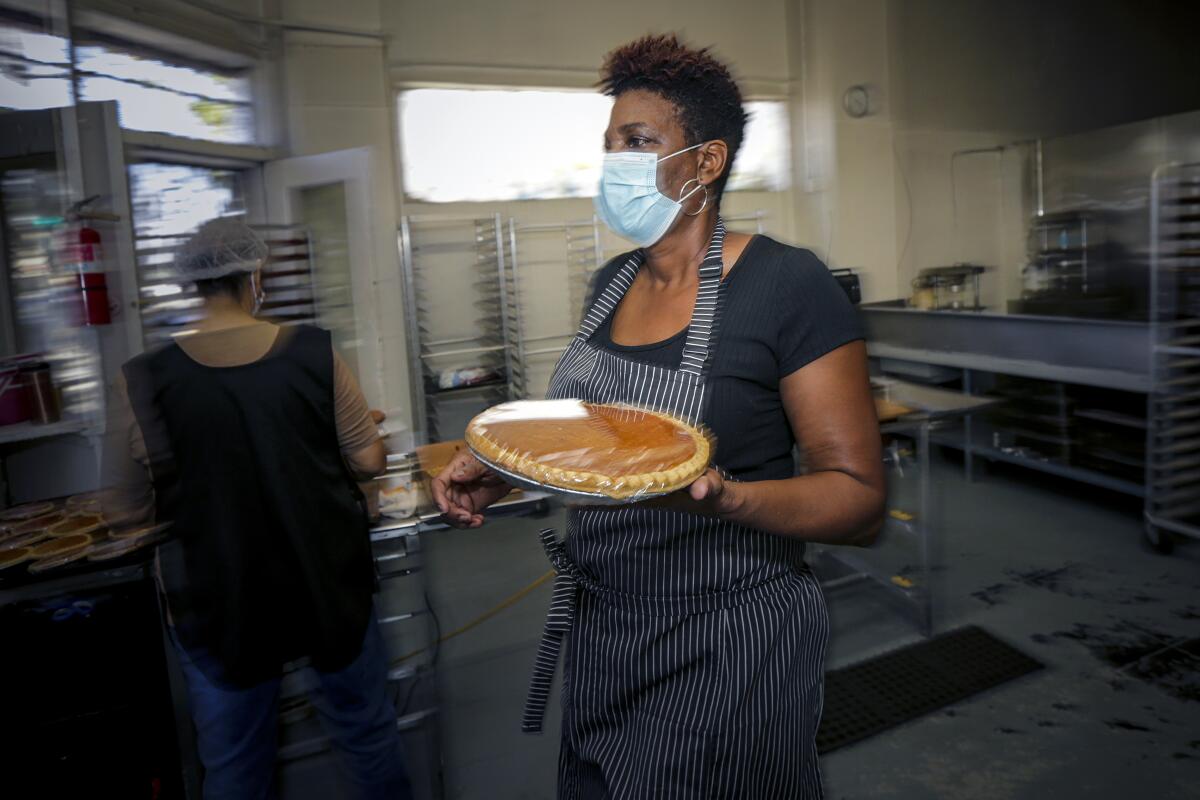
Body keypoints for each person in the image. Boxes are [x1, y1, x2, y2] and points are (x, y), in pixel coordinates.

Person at [432, 34, 885, 798]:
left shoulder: (786, 285)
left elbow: (860, 499)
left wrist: (726, 496)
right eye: (609, 145)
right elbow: (601, 440)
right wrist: (508, 471)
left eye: (637, 142)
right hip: (609, 627)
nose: (614, 163)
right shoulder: (611, 283)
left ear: (707, 162)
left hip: (730, 638)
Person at [104, 218, 411, 800]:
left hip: (218, 602)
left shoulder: (141, 381)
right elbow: (369, 462)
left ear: (193, 285)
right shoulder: (314, 353)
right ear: (256, 276)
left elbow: (122, 511)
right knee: (367, 737)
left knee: (236, 768)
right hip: (326, 587)